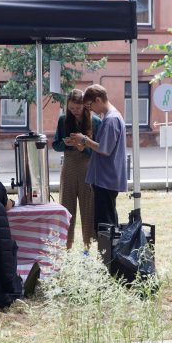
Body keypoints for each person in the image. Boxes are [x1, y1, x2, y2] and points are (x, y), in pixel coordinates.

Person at [71, 84, 127, 232]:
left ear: (98, 100)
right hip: (106, 177)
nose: (89, 110)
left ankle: (108, 254)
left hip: (106, 178)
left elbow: (105, 149)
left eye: (89, 106)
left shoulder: (111, 120)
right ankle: (109, 253)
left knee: (105, 225)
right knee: (107, 220)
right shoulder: (111, 117)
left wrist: (84, 140)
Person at [53, 88, 101, 250]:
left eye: (78, 108)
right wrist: (65, 144)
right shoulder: (63, 120)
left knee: (88, 207)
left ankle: (88, 246)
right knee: (67, 207)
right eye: (71, 108)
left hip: (88, 167)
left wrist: (84, 148)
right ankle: (67, 246)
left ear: (85, 106)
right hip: (69, 167)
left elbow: (100, 149)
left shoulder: (95, 121)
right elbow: (55, 144)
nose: (75, 111)